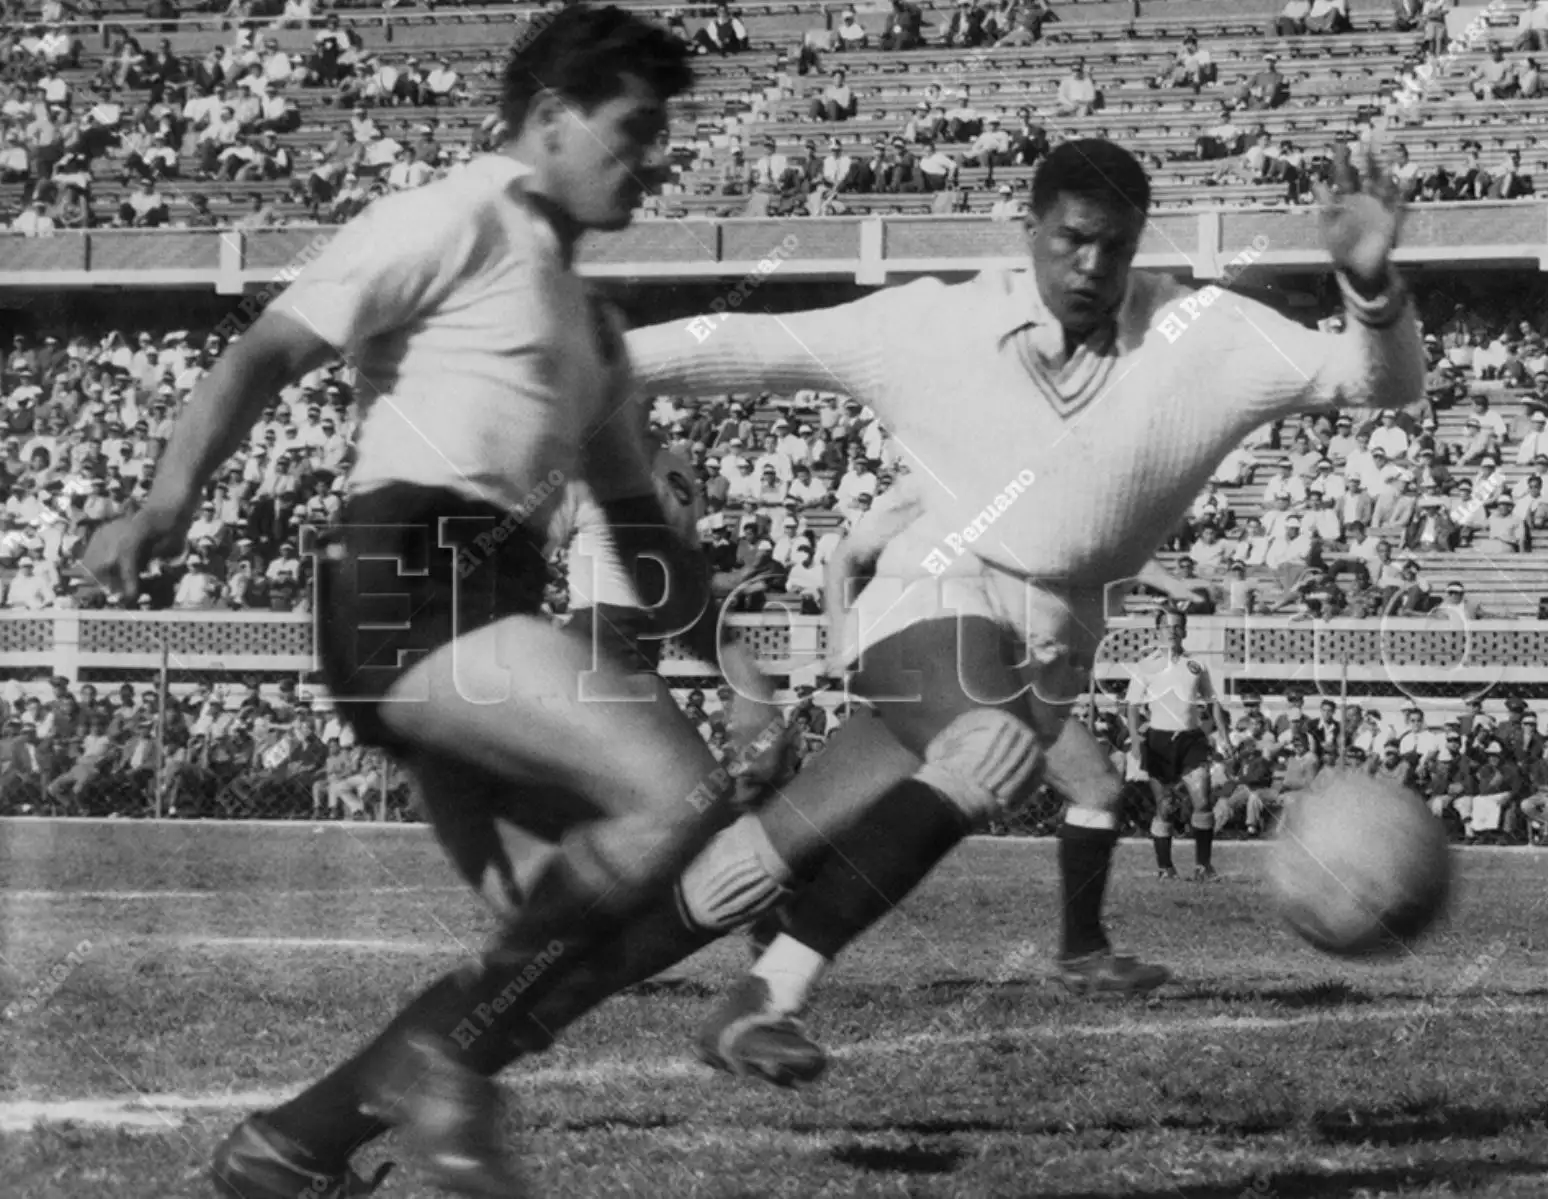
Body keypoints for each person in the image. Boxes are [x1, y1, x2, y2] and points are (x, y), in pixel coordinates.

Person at [80, 12, 758, 1199]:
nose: (656, 160)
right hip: (408, 579)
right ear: (551, 117)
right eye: (635, 129)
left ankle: (288, 1145)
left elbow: (640, 528)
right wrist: (164, 508)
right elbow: (261, 357)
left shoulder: (591, 323)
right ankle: (432, 1069)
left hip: (485, 603)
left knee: (554, 953)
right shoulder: (453, 215)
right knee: (675, 793)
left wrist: (716, 630)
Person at [625, 137, 1421, 1088]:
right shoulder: (944, 326)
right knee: (994, 750)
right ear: (1029, 228)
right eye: (1072, 241)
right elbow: (759, 349)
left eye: (1115, 248)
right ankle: (769, 995)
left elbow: (1382, 383)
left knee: (778, 849)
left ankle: (510, 1002)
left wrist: (1370, 290)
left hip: (1052, 635)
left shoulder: (1200, 333)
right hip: (936, 595)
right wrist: (579, 361)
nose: (1091, 267)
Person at [1126, 608, 1225, 881]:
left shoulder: (1196, 665)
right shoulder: (1146, 665)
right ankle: (1164, 867)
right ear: (1157, 631)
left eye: (1177, 626)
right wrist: (1136, 740)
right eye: (1167, 626)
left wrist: (1224, 737)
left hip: (1191, 739)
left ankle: (1203, 866)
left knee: (1202, 800)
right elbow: (1133, 707)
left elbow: (1213, 702)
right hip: (1159, 741)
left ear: (1185, 631)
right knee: (1166, 806)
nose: (1172, 631)